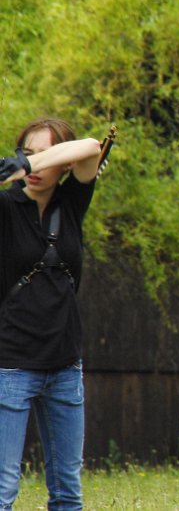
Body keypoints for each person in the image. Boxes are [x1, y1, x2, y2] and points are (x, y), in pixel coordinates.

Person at [0, 117, 102, 510]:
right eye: (25, 154)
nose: (34, 165)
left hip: (64, 365)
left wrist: (29, 163)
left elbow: (91, 146)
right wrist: (22, 168)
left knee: (67, 493)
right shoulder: (6, 206)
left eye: (46, 156)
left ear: (63, 163)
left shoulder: (71, 201)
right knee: (4, 489)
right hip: (10, 365)